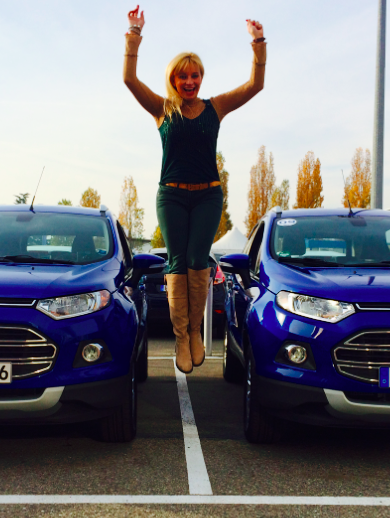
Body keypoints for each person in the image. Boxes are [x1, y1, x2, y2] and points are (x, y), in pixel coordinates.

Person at [123, 6, 266, 374]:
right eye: (183, 76)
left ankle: (195, 332)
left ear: (201, 77)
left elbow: (255, 86)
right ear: (173, 79)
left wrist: (258, 43)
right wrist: (134, 35)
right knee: (176, 262)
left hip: (207, 195)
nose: (190, 82)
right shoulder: (162, 109)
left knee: (197, 262)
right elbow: (129, 80)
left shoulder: (215, 107)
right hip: (171, 195)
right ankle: (181, 338)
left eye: (195, 75)